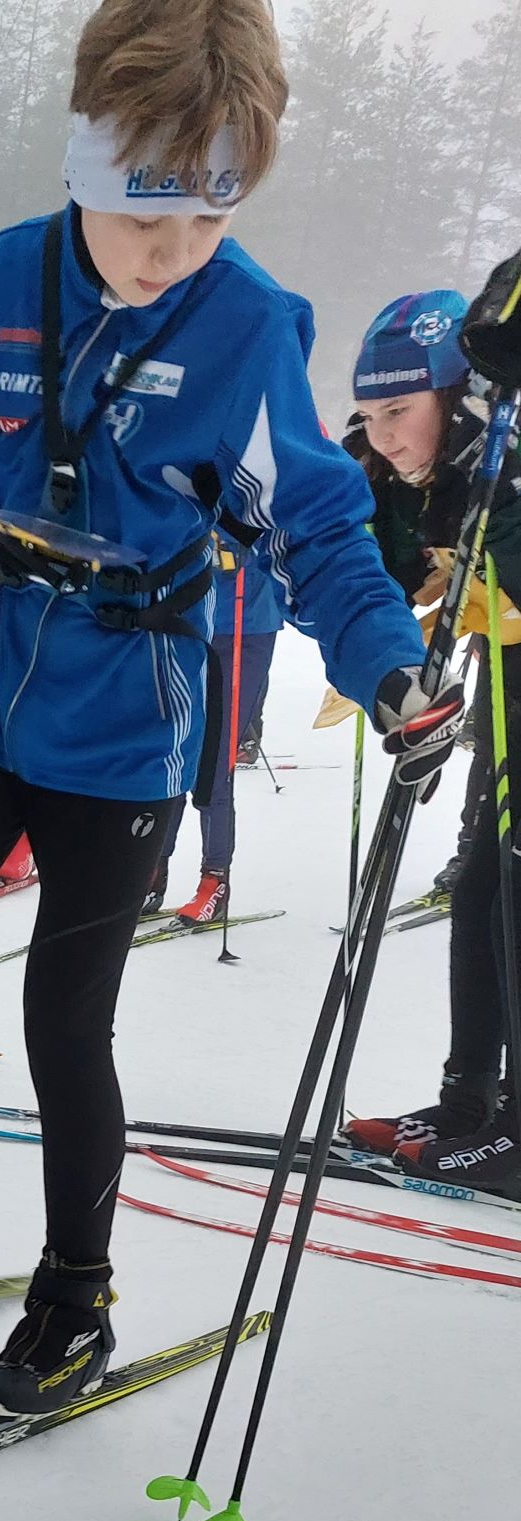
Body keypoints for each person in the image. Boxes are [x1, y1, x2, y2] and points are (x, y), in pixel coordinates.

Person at [0, 0, 452, 1434]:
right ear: (84, 167)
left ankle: (74, 1300)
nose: (167, 257)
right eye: (142, 222)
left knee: (68, 1020)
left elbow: (318, 527)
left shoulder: (246, 328)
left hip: (128, 732)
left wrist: (386, 672)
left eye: (199, 226)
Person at [341, 290, 521, 1189]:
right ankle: (470, 1102)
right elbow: (387, 572)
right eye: (370, 415)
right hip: (509, 681)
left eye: (401, 413)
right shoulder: (439, 474)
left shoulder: (505, 463)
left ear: (464, 397)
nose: (386, 437)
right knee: (486, 882)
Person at [143, 533, 287, 922]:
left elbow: (288, 539)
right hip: (188, 618)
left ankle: (214, 880)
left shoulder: (261, 479)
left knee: (214, 761)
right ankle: (151, 871)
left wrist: (249, 547)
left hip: (246, 626)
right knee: (173, 749)